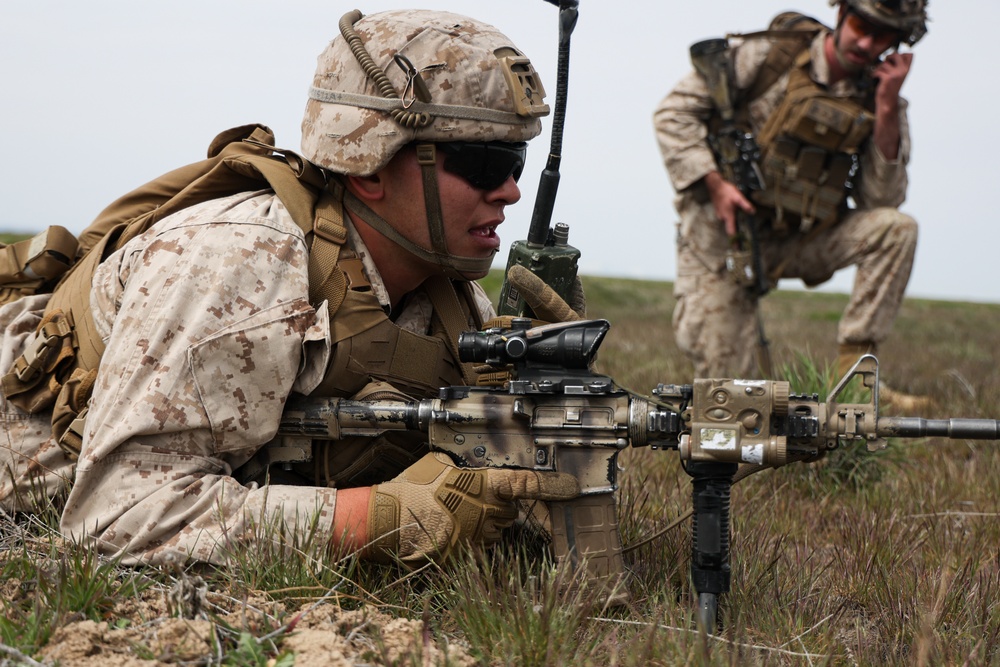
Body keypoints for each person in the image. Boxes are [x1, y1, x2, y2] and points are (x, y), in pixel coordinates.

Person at [0, 9, 582, 567]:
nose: (509, 192)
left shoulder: (449, 301)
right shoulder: (238, 262)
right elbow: (119, 516)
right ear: (371, 165)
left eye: (518, 163)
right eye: (483, 164)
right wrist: (380, 522)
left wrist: (549, 401)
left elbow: (491, 489)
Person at [653, 0, 930, 408]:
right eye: (860, 24)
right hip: (724, 239)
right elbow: (673, 113)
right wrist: (715, 184)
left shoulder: (877, 97)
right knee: (730, 400)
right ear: (841, 14)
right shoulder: (771, 56)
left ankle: (855, 377)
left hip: (801, 238)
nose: (867, 41)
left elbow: (882, 199)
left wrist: (887, 106)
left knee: (896, 228)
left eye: (883, 35)